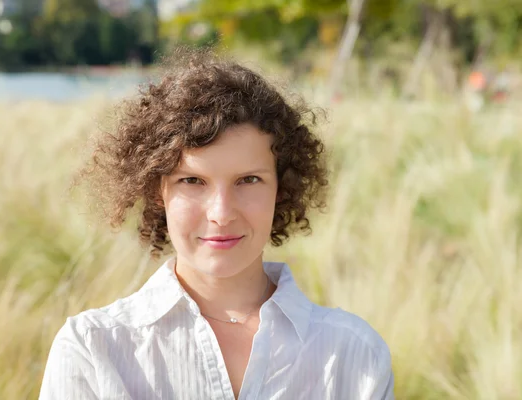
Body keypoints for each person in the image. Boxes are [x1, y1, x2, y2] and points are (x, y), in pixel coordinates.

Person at [39, 48, 394, 400]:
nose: (221, 213)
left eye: (249, 180)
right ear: (156, 190)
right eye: (192, 181)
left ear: (281, 188)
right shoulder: (93, 350)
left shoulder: (355, 356)